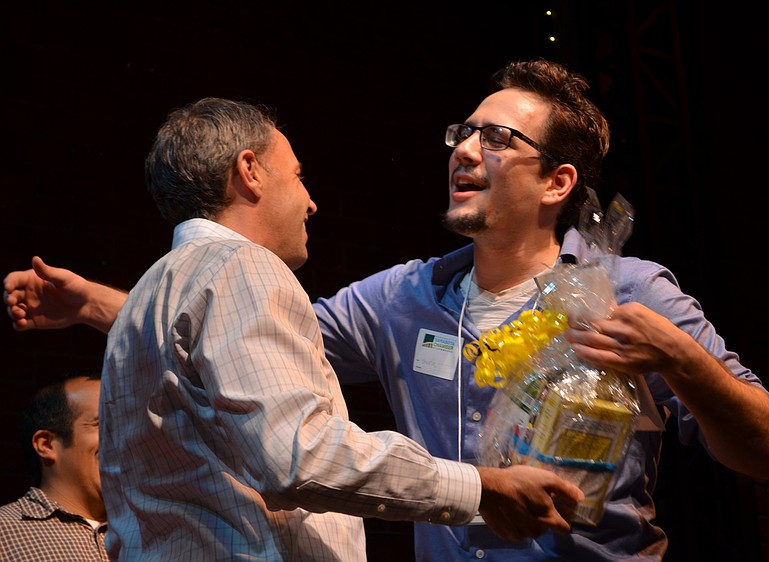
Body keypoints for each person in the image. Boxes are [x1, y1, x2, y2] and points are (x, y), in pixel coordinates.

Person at [3, 60, 769, 561]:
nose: (465, 149)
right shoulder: (404, 296)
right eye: (463, 132)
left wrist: (679, 361)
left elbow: (768, 451)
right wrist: (100, 303)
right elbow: (243, 342)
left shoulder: (637, 290)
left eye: (498, 137)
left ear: (557, 182)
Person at [3, 96, 582, 561]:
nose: (311, 201)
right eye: (299, 176)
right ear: (249, 172)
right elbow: (296, 455)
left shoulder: (150, 295)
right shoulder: (243, 266)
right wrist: (478, 488)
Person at [0, 370, 108, 562]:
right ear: (47, 445)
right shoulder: (5, 532)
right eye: (104, 424)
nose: (125, 440)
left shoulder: (153, 531)